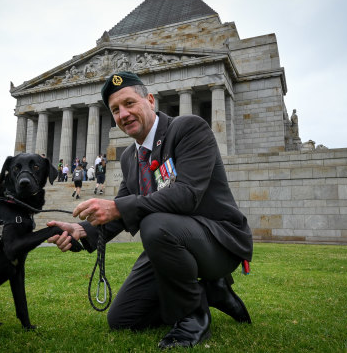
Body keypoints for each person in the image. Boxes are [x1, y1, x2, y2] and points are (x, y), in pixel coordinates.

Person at [48, 72, 253, 349]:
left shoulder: (188, 129)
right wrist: (80, 232)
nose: (123, 114)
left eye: (129, 103)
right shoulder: (130, 158)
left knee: (154, 224)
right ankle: (210, 291)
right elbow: (115, 217)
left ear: (150, 100)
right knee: (123, 319)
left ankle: (193, 317)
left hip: (219, 241)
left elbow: (186, 195)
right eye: (116, 110)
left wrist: (119, 207)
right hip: (170, 243)